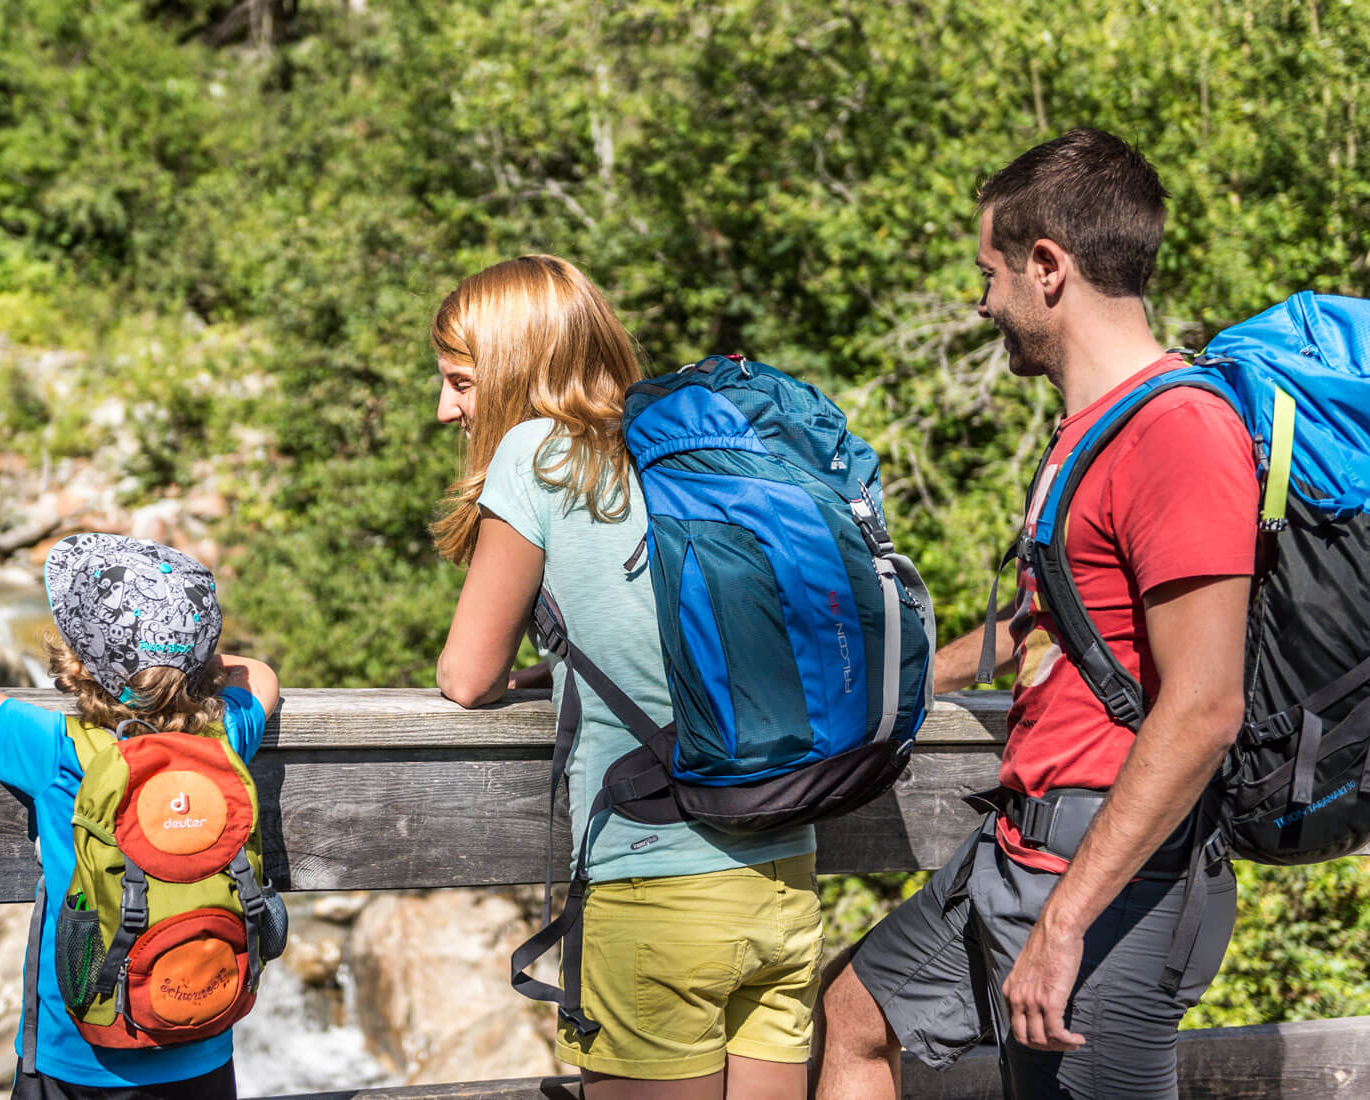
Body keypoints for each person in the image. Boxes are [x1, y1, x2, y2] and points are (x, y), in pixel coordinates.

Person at [813, 129, 1253, 1099]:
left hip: (1112, 876)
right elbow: (1040, 624)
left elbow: (1206, 703)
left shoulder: (1178, 431)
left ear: (1046, 266)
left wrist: (1065, 924)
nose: (983, 303)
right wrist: (896, 679)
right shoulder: (1087, 431)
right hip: (1022, 844)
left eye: (990, 273)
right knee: (856, 1012)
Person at [433, 255, 822, 1100]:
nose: (446, 408)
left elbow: (467, 675)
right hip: (783, 875)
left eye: (460, 381)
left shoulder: (538, 452)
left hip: (654, 885)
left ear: (511, 365)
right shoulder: (683, 447)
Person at [0, 533, 279, 1100]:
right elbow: (261, 673)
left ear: (78, 662)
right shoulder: (227, 735)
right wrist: (181, 669)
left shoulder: (57, 748)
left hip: (77, 1055)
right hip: (201, 1041)